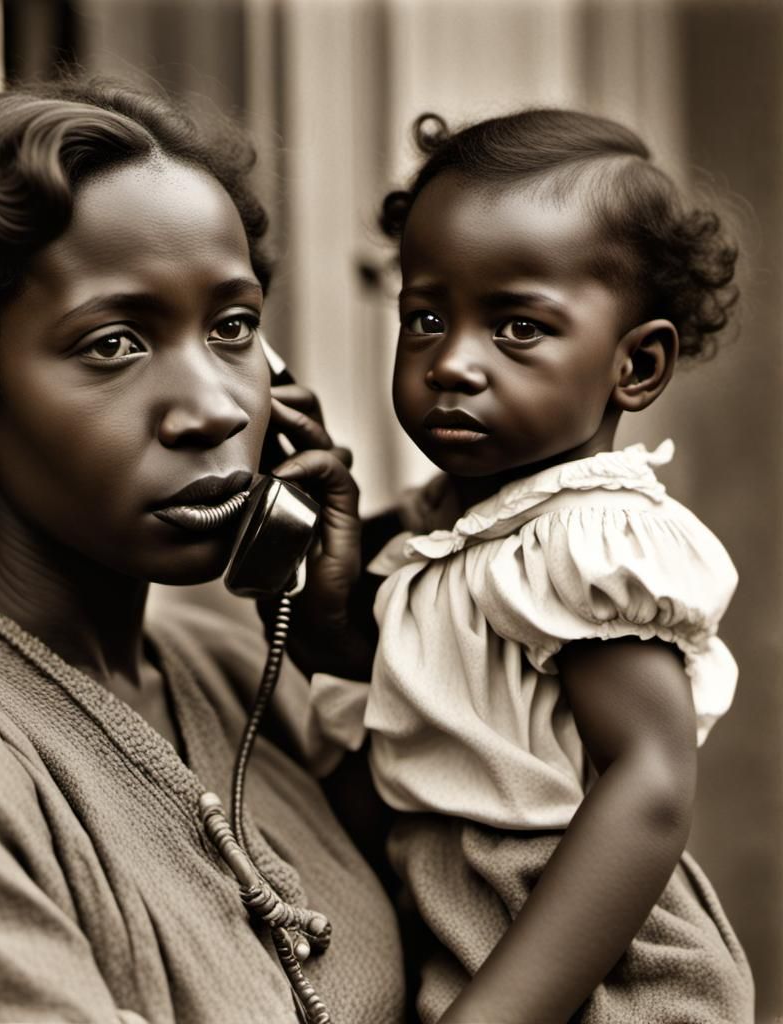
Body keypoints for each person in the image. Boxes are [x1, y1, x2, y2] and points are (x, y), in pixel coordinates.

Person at [0, 78, 406, 1023]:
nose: (219, 408)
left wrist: (352, 663)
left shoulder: (243, 674)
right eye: (113, 343)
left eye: (232, 329)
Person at [297, 109, 756, 1023]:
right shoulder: (461, 535)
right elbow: (428, 711)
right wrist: (332, 611)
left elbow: (649, 783)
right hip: (466, 928)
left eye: (517, 328)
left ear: (636, 365)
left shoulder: (588, 538)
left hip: (604, 973)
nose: (452, 363)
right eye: (425, 318)